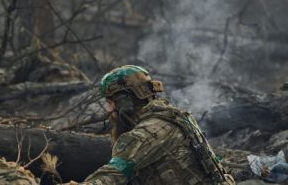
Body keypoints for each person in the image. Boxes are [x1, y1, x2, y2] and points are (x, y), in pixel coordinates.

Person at [80, 65, 235, 185]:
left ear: (125, 102)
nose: (109, 110)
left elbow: (112, 175)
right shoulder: (175, 116)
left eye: (110, 102)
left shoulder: (145, 133)